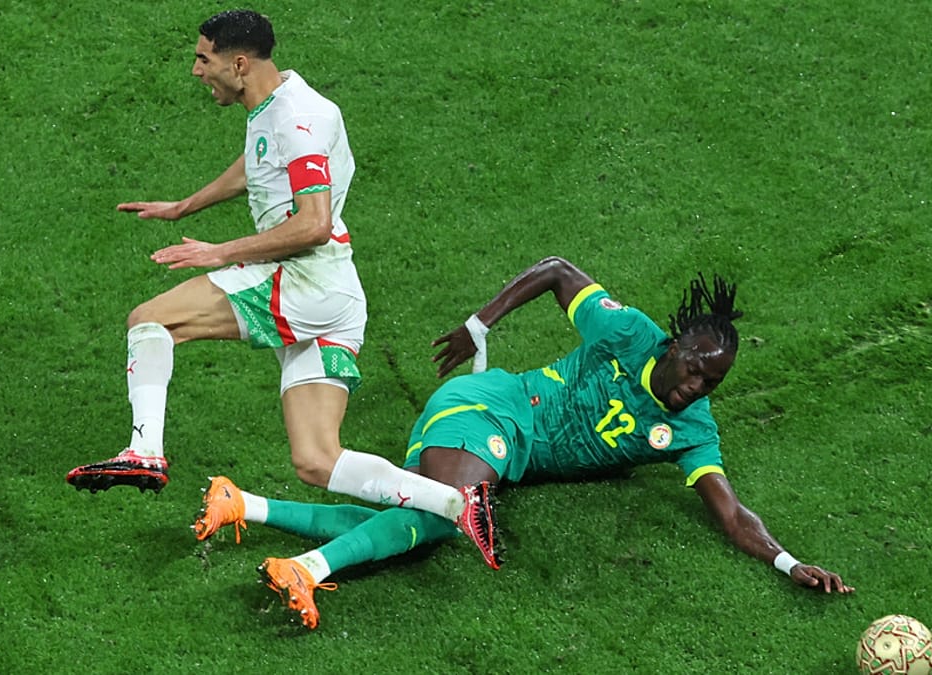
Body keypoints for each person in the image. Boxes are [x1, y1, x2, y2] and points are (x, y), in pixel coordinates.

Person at [192, 256, 854, 630]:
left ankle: (245, 505)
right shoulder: (628, 332)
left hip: (506, 455)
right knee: (450, 509)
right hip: (492, 408)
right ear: (676, 344)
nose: (696, 387)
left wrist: (788, 562)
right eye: (695, 370)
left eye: (712, 382)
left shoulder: (692, 430)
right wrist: (478, 325)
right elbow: (558, 272)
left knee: (428, 521)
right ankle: (309, 567)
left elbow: (732, 514)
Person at [65, 9, 496, 565]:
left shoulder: (296, 117)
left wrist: (219, 251)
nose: (197, 71)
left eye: (204, 59)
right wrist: (184, 207)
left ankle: (144, 450)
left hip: (305, 280)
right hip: (338, 296)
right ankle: (459, 504)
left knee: (151, 320)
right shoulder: (281, 102)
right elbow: (258, 164)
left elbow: (313, 223)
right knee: (317, 459)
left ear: (240, 63)